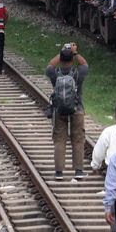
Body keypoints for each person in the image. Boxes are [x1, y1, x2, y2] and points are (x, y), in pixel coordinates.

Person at [46, 45, 89, 178]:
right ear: (72, 59)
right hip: (77, 109)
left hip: (59, 110)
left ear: (61, 59)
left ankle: (59, 171)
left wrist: (62, 51)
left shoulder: (54, 73)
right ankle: (78, 170)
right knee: (78, 139)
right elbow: (85, 64)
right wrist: (75, 52)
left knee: (59, 139)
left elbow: (50, 65)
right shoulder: (79, 72)